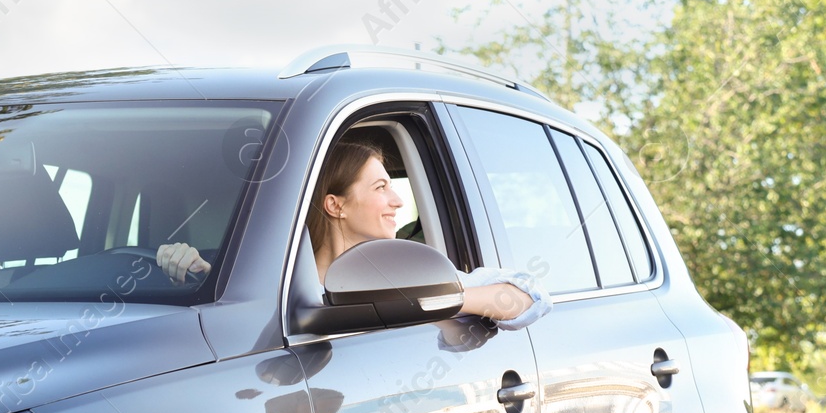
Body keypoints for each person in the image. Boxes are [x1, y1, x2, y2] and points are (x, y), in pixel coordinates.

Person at [157, 138, 549, 329]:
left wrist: (442, 297)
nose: (397, 201)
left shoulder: (409, 278)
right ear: (335, 205)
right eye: (381, 188)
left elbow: (530, 296)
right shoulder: (275, 281)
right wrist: (192, 270)